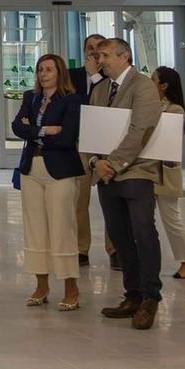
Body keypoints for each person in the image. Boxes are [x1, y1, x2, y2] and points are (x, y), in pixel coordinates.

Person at [87, 38, 167, 330]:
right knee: (120, 238)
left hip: (136, 172)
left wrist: (115, 163)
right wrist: (97, 163)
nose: (101, 60)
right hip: (106, 175)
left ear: (125, 56)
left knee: (143, 232)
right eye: (98, 56)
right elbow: (92, 131)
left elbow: (141, 130)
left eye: (106, 55)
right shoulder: (100, 90)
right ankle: (132, 294)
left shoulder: (143, 86)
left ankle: (150, 297)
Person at [9, 52, 82, 310]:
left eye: (49, 69)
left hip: (59, 171)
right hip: (32, 169)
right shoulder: (31, 98)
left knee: (62, 228)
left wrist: (35, 131)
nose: (44, 74)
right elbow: (17, 127)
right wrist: (47, 129)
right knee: (35, 228)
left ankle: (71, 288)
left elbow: (67, 137)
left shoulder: (71, 100)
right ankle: (41, 285)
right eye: (40, 69)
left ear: (59, 73)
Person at [152, 66, 185, 281]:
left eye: (154, 80)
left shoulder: (174, 110)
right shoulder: (156, 105)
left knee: (171, 218)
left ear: (164, 85)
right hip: (149, 170)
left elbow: (161, 138)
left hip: (165, 171)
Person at [70, 34, 109, 267]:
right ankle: (80, 249)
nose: (94, 52)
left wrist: (96, 75)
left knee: (111, 200)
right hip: (81, 146)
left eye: (99, 48)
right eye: (90, 47)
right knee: (78, 200)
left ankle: (115, 249)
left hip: (107, 146)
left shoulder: (111, 76)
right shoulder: (71, 76)